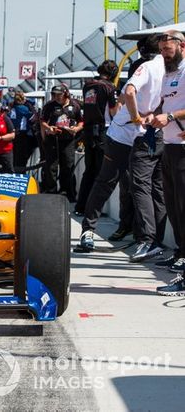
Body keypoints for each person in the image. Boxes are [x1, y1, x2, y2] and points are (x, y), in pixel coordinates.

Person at [76, 38, 164, 254]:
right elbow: (130, 92)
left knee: (127, 184)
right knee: (137, 185)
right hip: (131, 133)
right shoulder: (156, 66)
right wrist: (138, 116)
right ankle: (148, 239)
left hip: (139, 133)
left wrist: (143, 115)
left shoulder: (163, 67)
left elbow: (131, 93)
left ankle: (146, 238)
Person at [113, 37, 166, 262]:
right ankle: (158, 239)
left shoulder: (147, 66)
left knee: (140, 185)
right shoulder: (171, 68)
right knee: (159, 188)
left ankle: (147, 240)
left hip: (146, 134)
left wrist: (135, 117)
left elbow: (129, 91)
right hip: (166, 133)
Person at [148, 30, 185, 295]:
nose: (164, 54)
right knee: (172, 204)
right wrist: (155, 115)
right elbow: (165, 104)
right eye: (162, 50)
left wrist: (170, 116)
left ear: (182, 46)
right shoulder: (168, 74)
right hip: (169, 145)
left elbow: (174, 110)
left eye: (168, 50)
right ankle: (180, 252)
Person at [75, 60, 118, 215]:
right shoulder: (109, 87)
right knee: (101, 171)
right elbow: (113, 112)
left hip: (88, 130)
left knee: (89, 170)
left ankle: (81, 206)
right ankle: (93, 209)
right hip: (102, 130)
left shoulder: (88, 85)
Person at [40, 84, 83, 201]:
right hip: (52, 140)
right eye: (54, 94)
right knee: (51, 167)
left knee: (68, 166)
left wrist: (76, 129)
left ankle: (68, 192)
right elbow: (42, 121)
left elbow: (81, 122)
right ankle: (51, 191)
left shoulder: (75, 105)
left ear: (66, 94)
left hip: (68, 140)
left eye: (59, 94)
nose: (57, 97)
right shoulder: (49, 106)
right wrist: (49, 128)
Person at [7, 91, 36, 168]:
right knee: (21, 155)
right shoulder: (23, 108)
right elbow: (33, 118)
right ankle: (20, 171)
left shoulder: (11, 107)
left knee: (14, 154)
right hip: (21, 133)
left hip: (12, 132)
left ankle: (13, 168)